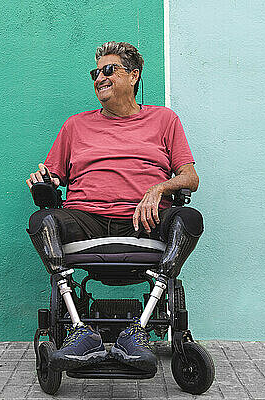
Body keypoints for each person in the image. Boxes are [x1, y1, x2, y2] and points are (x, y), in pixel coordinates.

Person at [26, 41, 203, 373]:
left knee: (189, 218)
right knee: (42, 221)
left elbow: (190, 177)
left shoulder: (164, 120)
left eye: (109, 70)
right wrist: (42, 181)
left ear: (134, 76)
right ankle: (82, 332)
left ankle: (136, 333)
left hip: (146, 220)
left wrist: (159, 188)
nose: (99, 78)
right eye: (96, 72)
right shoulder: (75, 125)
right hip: (86, 217)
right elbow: (53, 177)